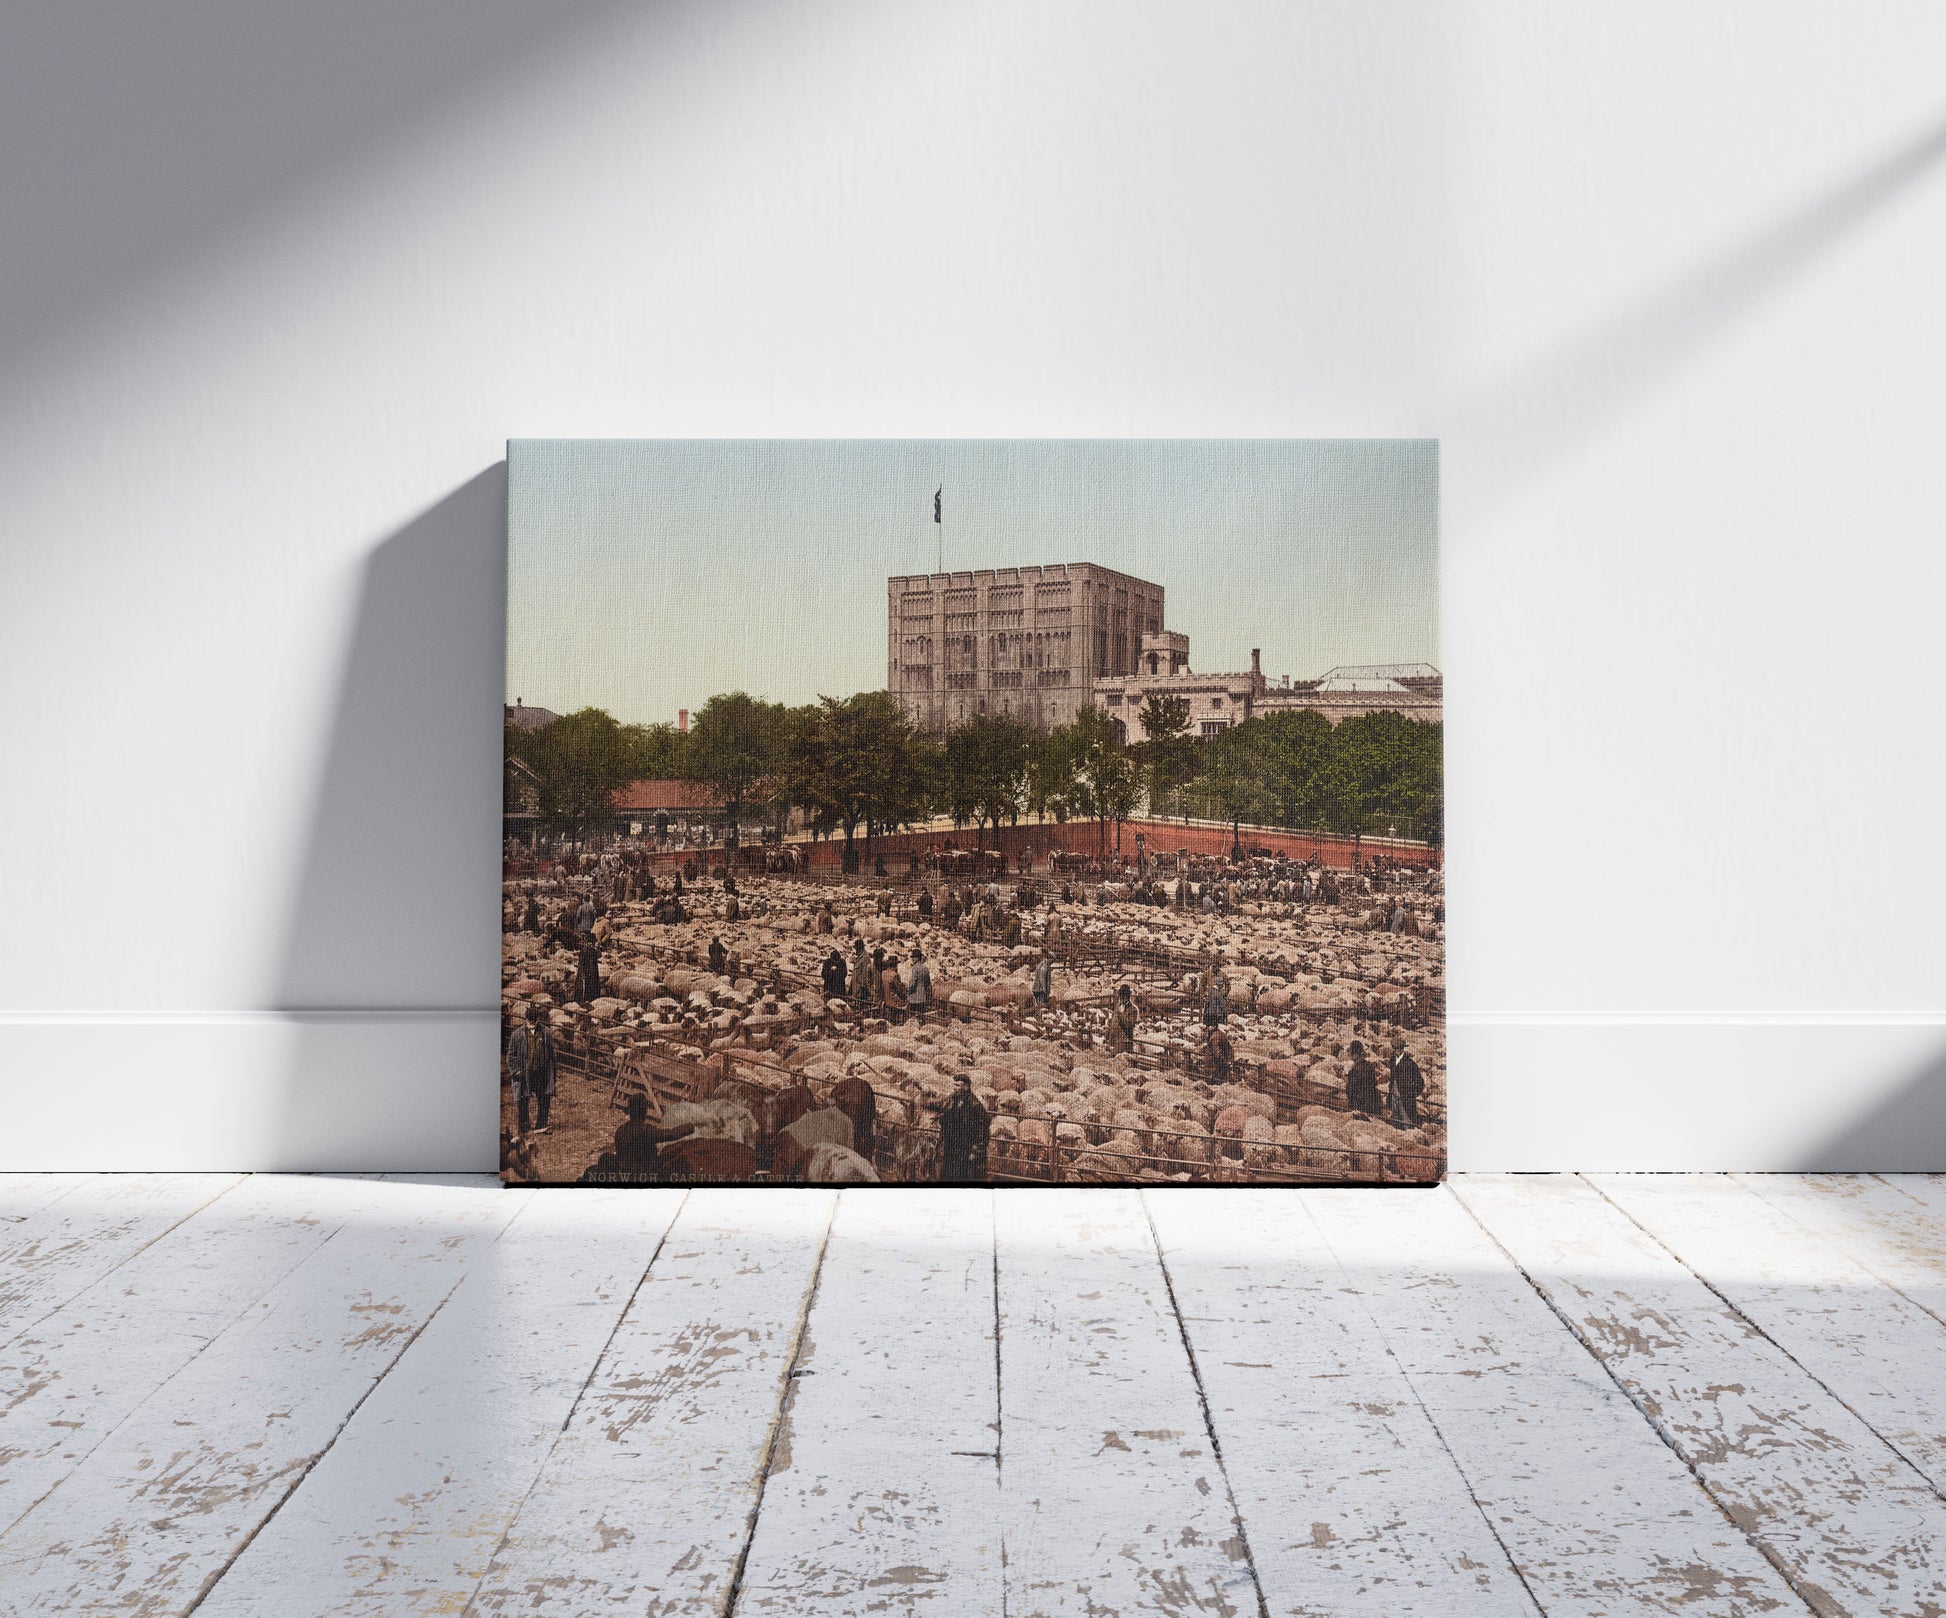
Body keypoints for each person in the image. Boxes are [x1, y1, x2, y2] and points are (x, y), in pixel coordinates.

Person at [506, 1004, 556, 1135]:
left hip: (541, 1072)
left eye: (534, 1021)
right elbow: (511, 1055)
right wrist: (516, 1070)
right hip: (524, 1073)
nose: (532, 1024)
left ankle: (541, 1125)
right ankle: (524, 1127)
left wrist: (551, 1072)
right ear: (525, 1019)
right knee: (523, 1100)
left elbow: (552, 1053)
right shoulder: (517, 1034)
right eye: (530, 1021)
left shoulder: (546, 1033)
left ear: (538, 1019)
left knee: (544, 1098)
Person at [937, 1074, 990, 1182]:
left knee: (961, 1176)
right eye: (954, 1085)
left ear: (966, 1086)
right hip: (950, 1145)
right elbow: (945, 1111)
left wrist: (976, 1150)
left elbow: (983, 1130)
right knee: (946, 1174)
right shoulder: (953, 1099)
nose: (954, 1088)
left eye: (957, 1085)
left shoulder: (975, 1105)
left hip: (965, 1148)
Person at [612, 1091, 665, 1180]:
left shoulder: (620, 1130)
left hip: (624, 1175)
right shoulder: (646, 1130)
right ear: (644, 1111)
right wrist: (690, 1126)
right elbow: (670, 1134)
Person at [1387, 1038, 1426, 1128]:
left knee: (1407, 1121)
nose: (1395, 1050)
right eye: (1394, 1048)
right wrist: (1391, 1089)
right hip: (1394, 1096)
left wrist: (1411, 1094)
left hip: (1406, 1099)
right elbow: (1392, 1078)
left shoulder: (1410, 1064)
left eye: (1397, 1048)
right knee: (1395, 1121)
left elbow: (1420, 1082)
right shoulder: (1392, 1060)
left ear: (1402, 1049)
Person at [1345, 1040, 1381, 1116]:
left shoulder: (1354, 1070)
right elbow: (1374, 1082)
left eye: (1351, 1053)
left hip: (1361, 1105)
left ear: (1354, 1054)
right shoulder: (1370, 1066)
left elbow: (1350, 1090)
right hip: (1374, 1103)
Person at [1106, 983, 1138, 1053]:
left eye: (1123, 997)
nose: (1121, 999)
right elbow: (1113, 1022)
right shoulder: (1118, 1006)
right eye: (1120, 997)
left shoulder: (1133, 1009)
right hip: (1114, 1040)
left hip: (1125, 1042)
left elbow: (1128, 1025)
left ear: (1128, 997)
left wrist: (1121, 1014)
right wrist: (1108, 1035)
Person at [905, 947, 933, 1018]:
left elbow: (913, 983)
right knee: (921, 1016)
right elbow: (928, 983)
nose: (912, 959)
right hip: (922, 997)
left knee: (912, 1016)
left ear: (917, 958)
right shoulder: (925, 968)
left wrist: (908, 991)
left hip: (914, 997)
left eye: (914, 957)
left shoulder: (915, 968)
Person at [576, 937, 602, 1004]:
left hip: (592, 972)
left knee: (593, 987)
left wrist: (597, 947)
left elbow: (599, 955)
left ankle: (592, 1001)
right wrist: (582, 973)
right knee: (586, 988)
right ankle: (584, 1001)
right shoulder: (585, 950)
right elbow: (581, 963)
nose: (591, 944)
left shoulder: (592, 950)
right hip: (587, 972)